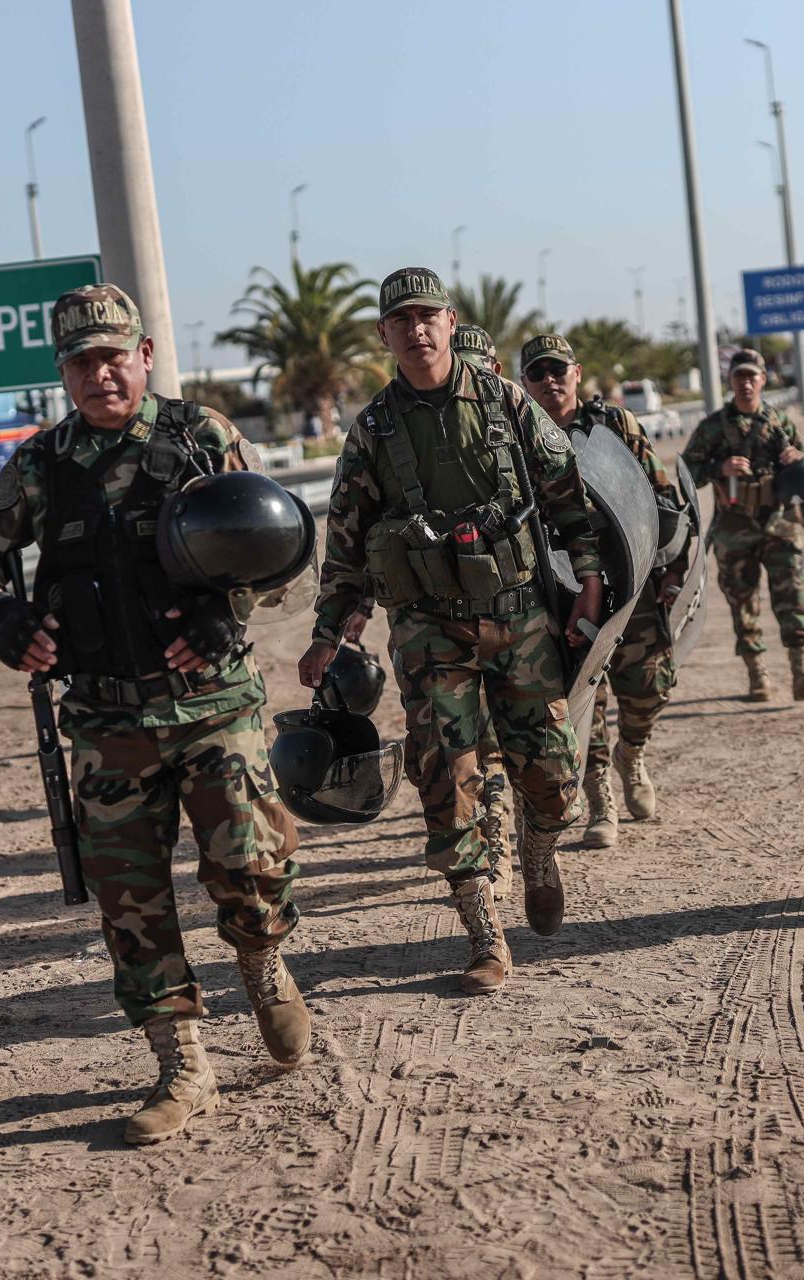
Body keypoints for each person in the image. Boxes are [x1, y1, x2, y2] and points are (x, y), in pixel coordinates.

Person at [0, 284, 308, 1144]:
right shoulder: (41, 466)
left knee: (251, 865)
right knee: (130, 902)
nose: (100, 374)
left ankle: (262, 963)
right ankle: (184, 1065)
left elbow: (286, 543)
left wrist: (233, 609)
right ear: (64, 372)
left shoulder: (201, 437)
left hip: (214, 706)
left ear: (145, 355)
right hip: (106, 719)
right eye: (81, 361)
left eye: (115, 356)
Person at [299, 268, 603, 994]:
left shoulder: (504, 403)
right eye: (400, 319)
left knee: (555, 780)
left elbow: (567, 496)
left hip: (520, 617)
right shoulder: (372, 430)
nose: (415, 329)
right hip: (429, 630)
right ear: (384, 334)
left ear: (448, 319)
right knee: (446, 782)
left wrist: (589, 581)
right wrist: (330, 631)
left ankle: (537, 847)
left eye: (426, 315)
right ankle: (482, 931)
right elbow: (345, 540)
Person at [518, 333, 688, 847]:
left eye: (558, 370)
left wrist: (673, 569)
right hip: (562, 584)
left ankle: (631, 755)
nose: (550, 381)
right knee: (581, 692)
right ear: (524, 383)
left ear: (577, 372)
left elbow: (660, 498)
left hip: (629, 577)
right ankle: (599, 798)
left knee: (649, 686)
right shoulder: (516, 437)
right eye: (538, 373)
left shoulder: (614, 426)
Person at [680, 350, 804, 702]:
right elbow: (687, 472)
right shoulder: (713, 428)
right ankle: (757, 675)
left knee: (792, 597)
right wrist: (720, 468)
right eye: (739, 377)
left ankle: (801, 671)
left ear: (764, 379)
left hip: (779, 524)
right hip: (735, 529)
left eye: (752, 376)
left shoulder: (780, 423)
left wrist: (800, 459)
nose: (746, 383)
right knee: (743, 603)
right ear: (730, 382)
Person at [448, 323, 517, 870]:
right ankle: (492, 816)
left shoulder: (517, 423)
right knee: (469, 737)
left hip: (524, 608)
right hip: (450, 616)